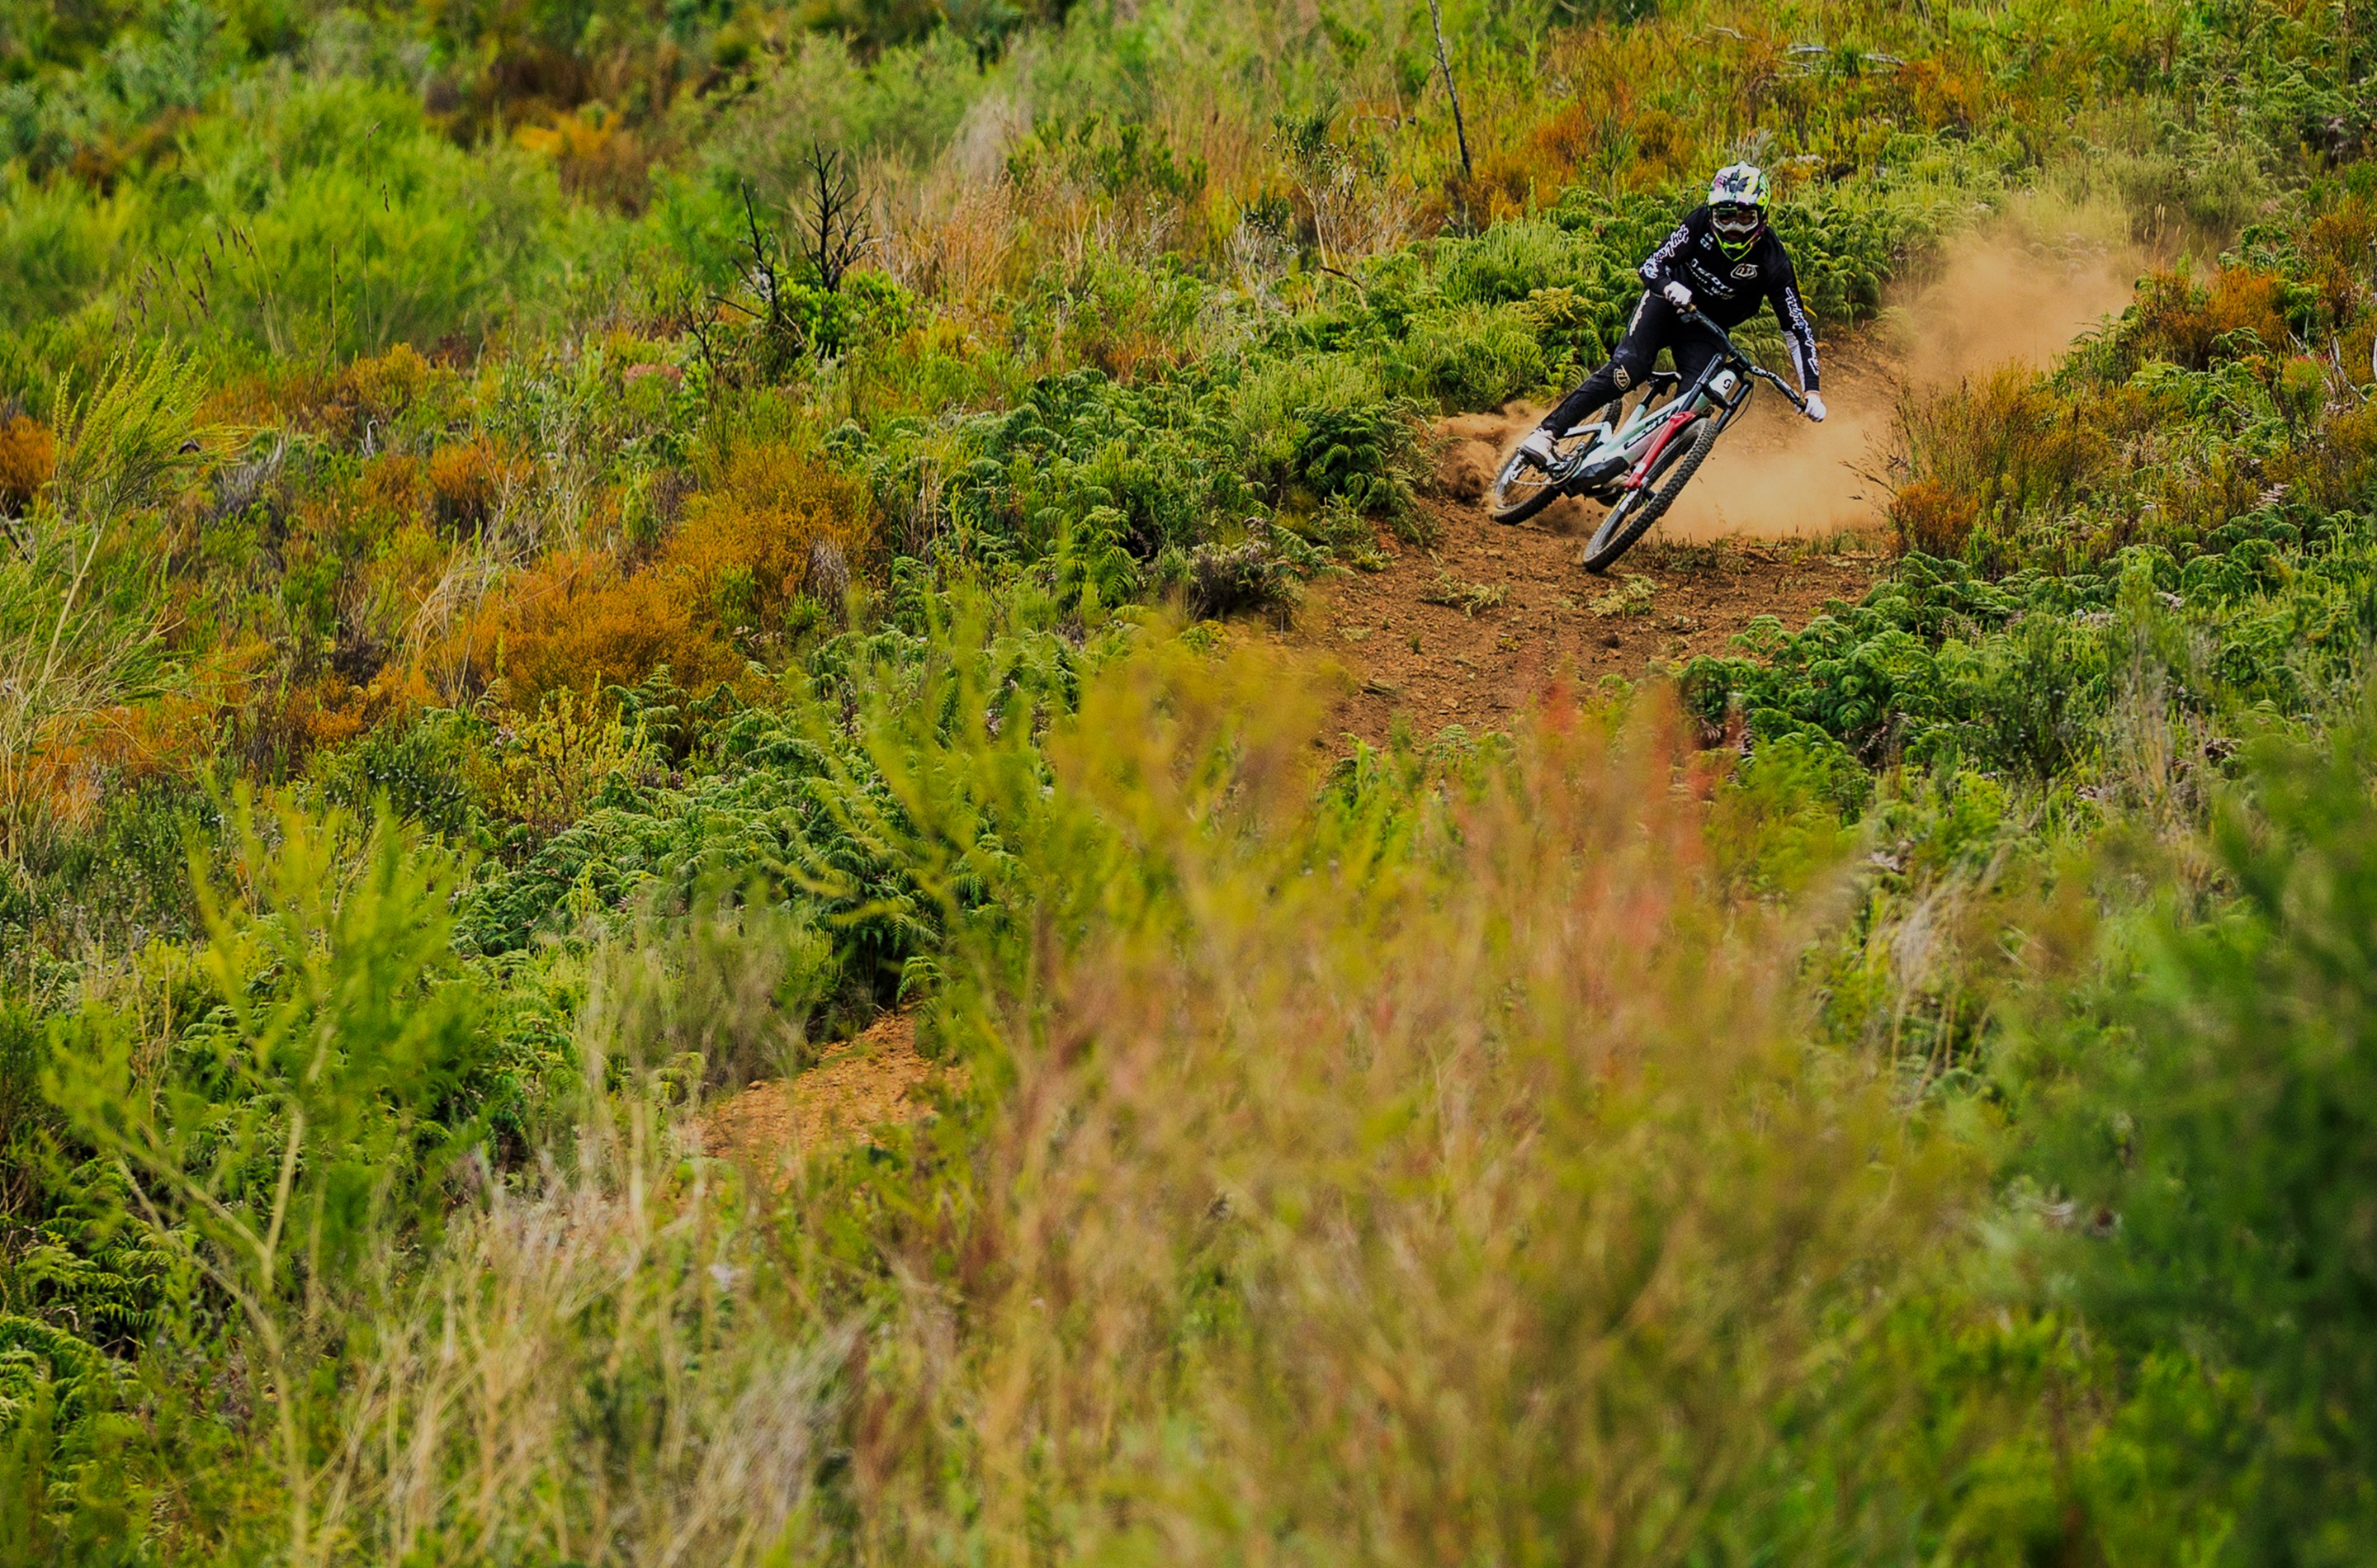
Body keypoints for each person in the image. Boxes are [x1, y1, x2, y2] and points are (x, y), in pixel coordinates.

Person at [1514, 163, 1825, 475]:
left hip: (1705, 329)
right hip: (1666, 304)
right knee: (1628, 369)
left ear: (1762, 216)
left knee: (1693, 406)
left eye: (1745, 217)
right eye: (1725, 216)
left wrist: (1811, 389)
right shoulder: (1699, 222)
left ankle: (1633, 469)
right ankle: (1547, 433)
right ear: (1712, 213)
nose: (1734, 226)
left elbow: (1796, 327)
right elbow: (1651, 265)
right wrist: (1668, 285)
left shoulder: (1773, 260)